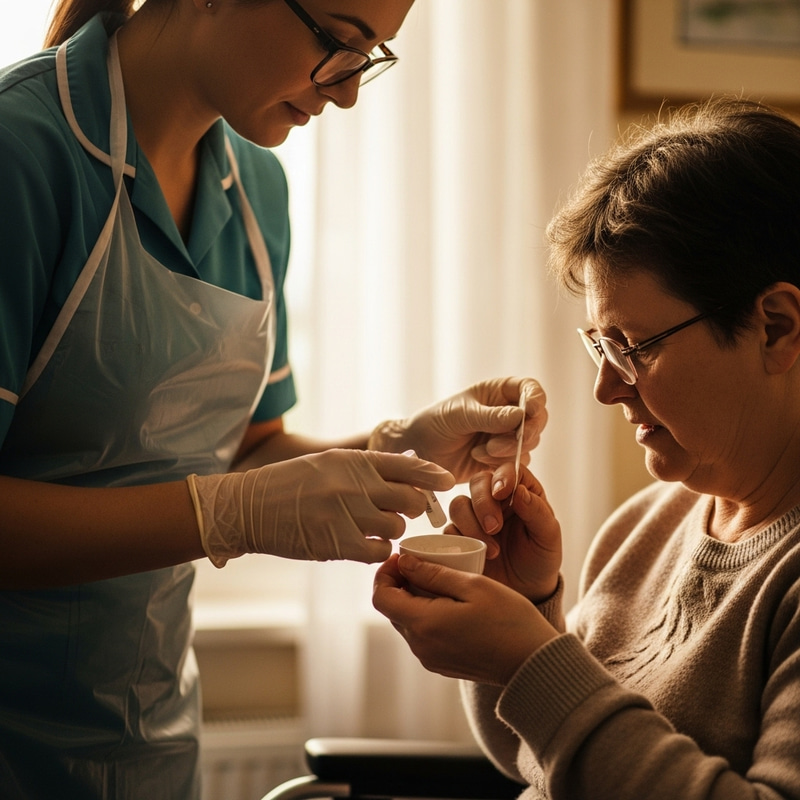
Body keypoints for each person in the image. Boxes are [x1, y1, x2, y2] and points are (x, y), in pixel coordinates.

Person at [0, 1, 549, 797]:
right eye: (339, 41)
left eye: (373, 56)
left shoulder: (256, 188)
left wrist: (400, 450)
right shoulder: (25, 152)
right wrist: (226, 514)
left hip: (147, 742)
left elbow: (248, 450)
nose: (349, 90)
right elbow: (235, 493)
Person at [373, 97, 800, 800]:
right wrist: (528, 604)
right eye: (600, 345)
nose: (606, 388)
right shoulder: (645, 527)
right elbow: (537, 761)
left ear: (776, 328)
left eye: (633, 347)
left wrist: (532, 660)